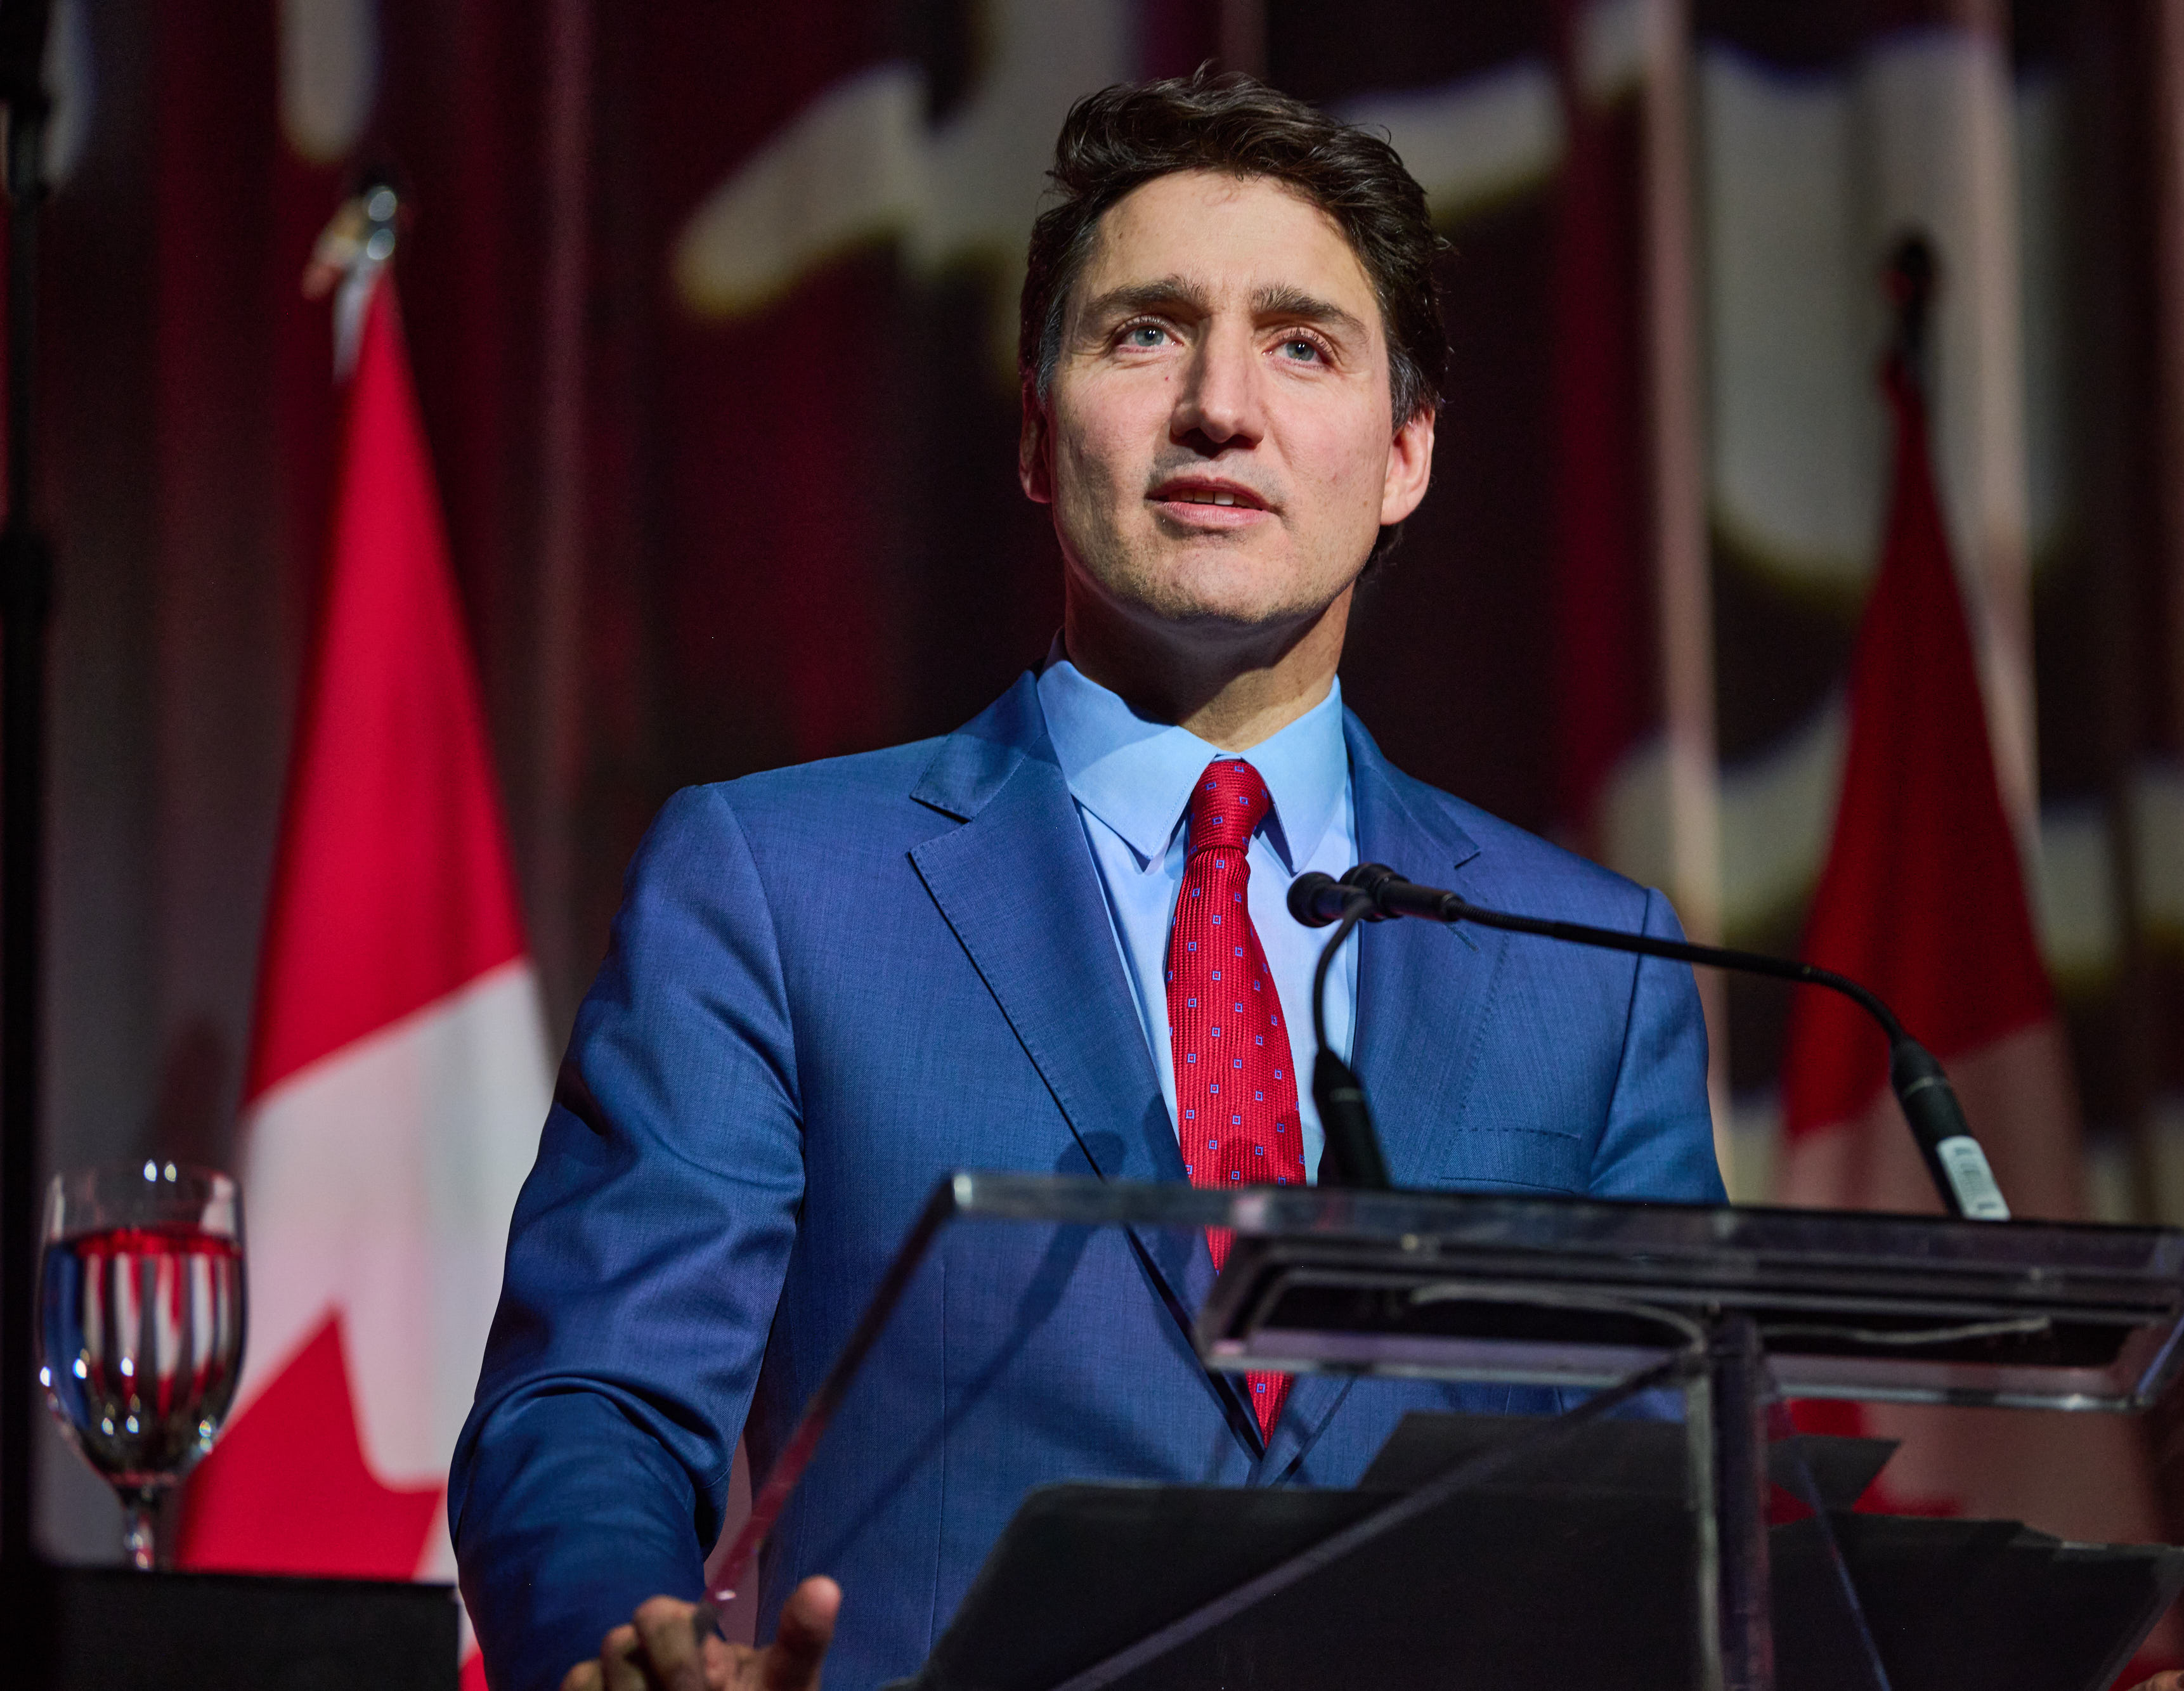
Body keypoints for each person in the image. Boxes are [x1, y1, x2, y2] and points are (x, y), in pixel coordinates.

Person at [452, 72, 1725, 1691]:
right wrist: (623, 1646)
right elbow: (593, 1408)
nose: (1218, 407)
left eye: (1301, 343)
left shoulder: (1591, 965)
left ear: (1404, 453)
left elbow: (1694, 1531)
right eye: (1143, 333)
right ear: (1040, 440)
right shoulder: (773, 885)